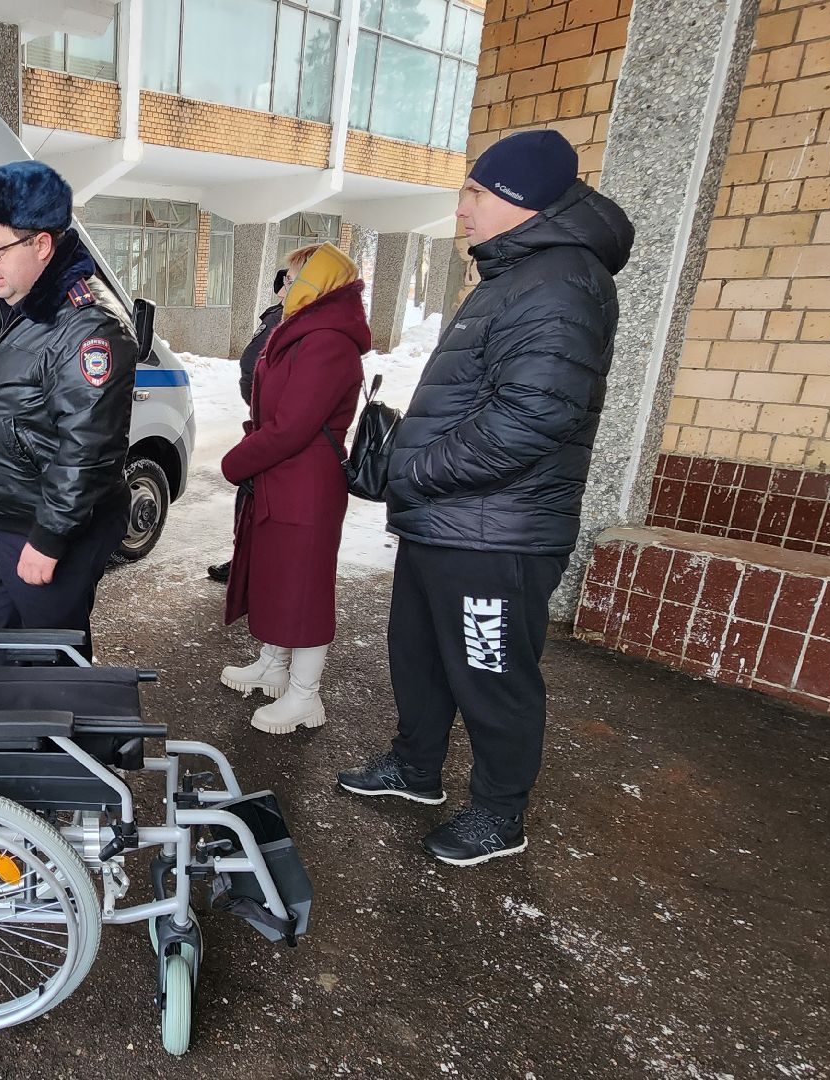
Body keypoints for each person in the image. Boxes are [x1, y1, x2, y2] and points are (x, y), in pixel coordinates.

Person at [337, 128, 635, 867]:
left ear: (521, 200)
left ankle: (500, 814)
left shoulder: (561, 281)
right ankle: (415, 769)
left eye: (475, 193)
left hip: (498, 532)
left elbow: (534, 417)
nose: (461, 207)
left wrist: (414, 469)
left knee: (491, 673)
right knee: (419, 657)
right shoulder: (514, 275)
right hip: (451, 521)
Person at [0, 160, 136, 660]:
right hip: (13, 518)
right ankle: (16, 736)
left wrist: (49, 538)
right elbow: (6, 411)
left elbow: (90, 448)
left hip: (47, 528)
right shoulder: (17, 305)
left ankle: (65, 739)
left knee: (50, 660)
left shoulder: (85, 327)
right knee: (5, 643)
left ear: (42, 244)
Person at [216, 243, 368, 734]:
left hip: (305, 482)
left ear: (316, 281)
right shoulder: (299, 331)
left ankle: (306, 695)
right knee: (278, 576)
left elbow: (292, 426)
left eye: (293, 275)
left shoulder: (327, 340)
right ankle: (274, 665)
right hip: (280, 476)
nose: (284, 284)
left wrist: (236, 461)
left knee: (304, 587)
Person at [209, 265, 292, 584]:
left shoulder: (284, 317)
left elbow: (251, 365)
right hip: (276, 422)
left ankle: (250, 565)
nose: (284, 285)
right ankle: (254, 562)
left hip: (274, 425)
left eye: (288, 280)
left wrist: (260, 404)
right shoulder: (296, 317)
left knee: (257, 493)